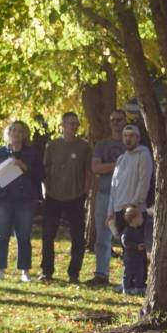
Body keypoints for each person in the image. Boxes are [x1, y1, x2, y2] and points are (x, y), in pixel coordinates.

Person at [0, 120, 44, 282]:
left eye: (19, 131)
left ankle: (25, 271)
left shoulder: (32, 154)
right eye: (13, 130)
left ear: (24, 134)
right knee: (1, 235)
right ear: (8, 133)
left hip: (25, 202)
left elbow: (41, 175)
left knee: (24, 236)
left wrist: (25, 167)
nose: (16, 134)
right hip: (2, 201)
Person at [40, 112, 93, 284]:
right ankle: (47, 271)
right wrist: (46, 190)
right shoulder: (52, 145)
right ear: (62, 125)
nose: (74, 127)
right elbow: (45, 171)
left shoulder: (84, 147)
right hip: (53, 196)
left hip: (76, 197)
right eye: (70, 123)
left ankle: (74, 273)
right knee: (48, 235)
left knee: (78, 237)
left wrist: (85, 192)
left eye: (76, 124)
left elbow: (88, 172)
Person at [107, 124, 154, 293]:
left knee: (138, 249)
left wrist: (134, 204)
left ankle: (139, 284)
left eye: (132, 135)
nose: (128, 138)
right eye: (125, 135)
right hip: (119, 209)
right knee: (126, 250)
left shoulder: (144, 155)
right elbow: (114, 187)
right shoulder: (121, 159)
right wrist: (110, 210)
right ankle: (128, 282)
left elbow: (144, 181)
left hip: (134, 210)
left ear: (138, 138)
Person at [88, 109, 129, 286]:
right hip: (104, 194)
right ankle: (101, 274)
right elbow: (96, 169)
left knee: (128, 238)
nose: (116, 123)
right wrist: (119, 164)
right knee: (102, 237)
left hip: (127, 196)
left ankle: (130, 277)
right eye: (112, 120)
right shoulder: (102, 145)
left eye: (119, 120)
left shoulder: (132, 143)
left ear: (125, 121)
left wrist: (109, 166)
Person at [119, 205, 148, 295]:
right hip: (130, 257)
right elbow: (125, 242)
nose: (142, 219)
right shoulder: (127, 231)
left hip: (139, 257)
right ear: (134, 219)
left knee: (140, 272)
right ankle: (126, 288)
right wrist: (136, 246)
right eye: (140, 217)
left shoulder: (138, 231)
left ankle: (139, 287)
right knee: (128, 273)